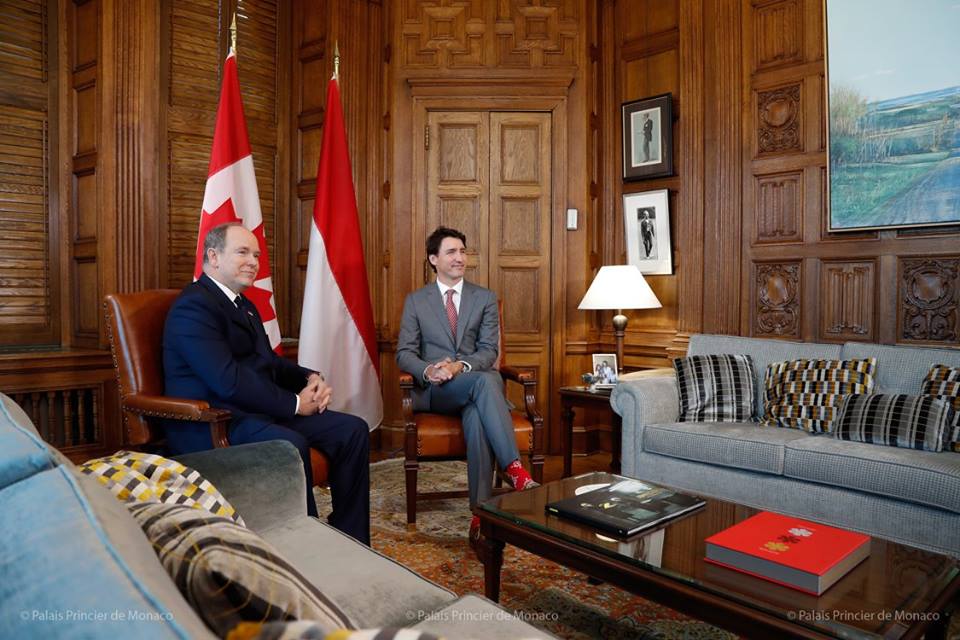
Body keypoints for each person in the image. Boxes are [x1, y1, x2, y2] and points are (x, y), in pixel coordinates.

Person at [162, 222, 370, 544]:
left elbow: (268, 363)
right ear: (213, 257)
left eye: (256, 255)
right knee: (288, 445)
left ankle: (351, 539)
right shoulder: (195, 306)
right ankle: (307, 545)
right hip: (213, 421)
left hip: (254, 412)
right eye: (243, 252)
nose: (254, 262)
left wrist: (309, 377)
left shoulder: (244, 305)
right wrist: (297, 404)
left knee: (352, 430)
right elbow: (227, 381)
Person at [396, 226, 539, 551]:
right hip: (436, 392)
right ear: (434, 259)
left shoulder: (484, 298)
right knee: (487, 381)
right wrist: (430, 369)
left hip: (472, 385)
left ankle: (480, 516)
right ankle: (515, 469)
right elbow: (404, 352)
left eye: (462, 251)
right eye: (451, 252)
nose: (460, 257)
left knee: (477, 413)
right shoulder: (416, 301)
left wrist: (459, 366)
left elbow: (489, 351)